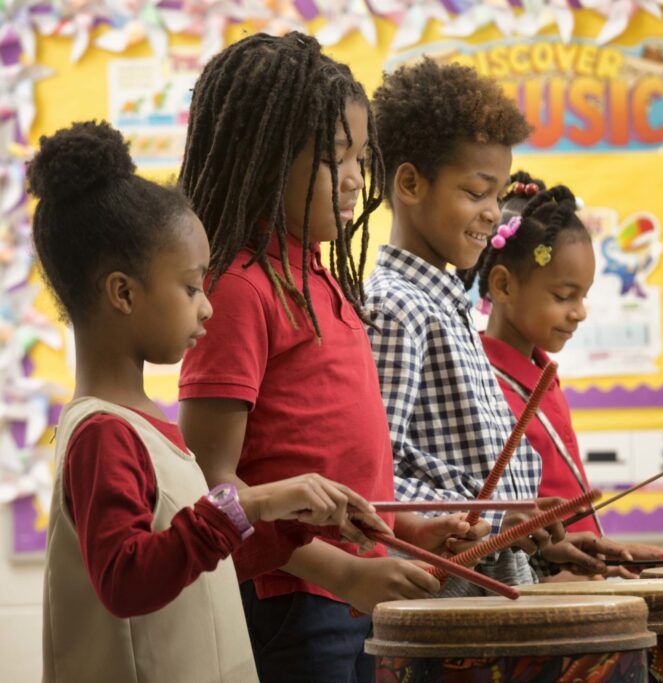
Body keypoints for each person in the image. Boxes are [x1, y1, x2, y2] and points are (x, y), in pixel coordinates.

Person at [33, 120, 385, 682]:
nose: (208, 308)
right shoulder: (103, 434)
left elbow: (200, 566)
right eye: (192, 287)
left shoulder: (145, 428)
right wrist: (252, 505)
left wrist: (294, 523)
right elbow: (126, 579)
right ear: (122, 292)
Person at [177, 34, 481, 682]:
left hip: (352, 589)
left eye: (359, 156)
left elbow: (340, 470)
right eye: (332, 157)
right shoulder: (237, 288)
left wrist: (400, 527)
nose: (354, 177)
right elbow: (209, 487)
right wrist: (342, 567)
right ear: (261, 159)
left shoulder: (326, 280)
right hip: (292, 603)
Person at [368, 59, 624, 593]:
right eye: (475, 192)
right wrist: (486, 515)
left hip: (494, 584)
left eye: (497, 193)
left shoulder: (447, 304)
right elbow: (376, 480)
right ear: (411, 184)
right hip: (447, 602)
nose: (492, 213)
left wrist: (528, 525)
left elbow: (454, 470)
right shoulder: (396, 308)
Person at [463, 175, 663, 581]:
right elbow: (499, 524)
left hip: (575, 585)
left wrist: (610, 559)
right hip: (537, 593)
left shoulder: (542, 374)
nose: (579, 312)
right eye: (563, 296)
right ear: (503, 285)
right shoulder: (482, 383)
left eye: (584, 296)